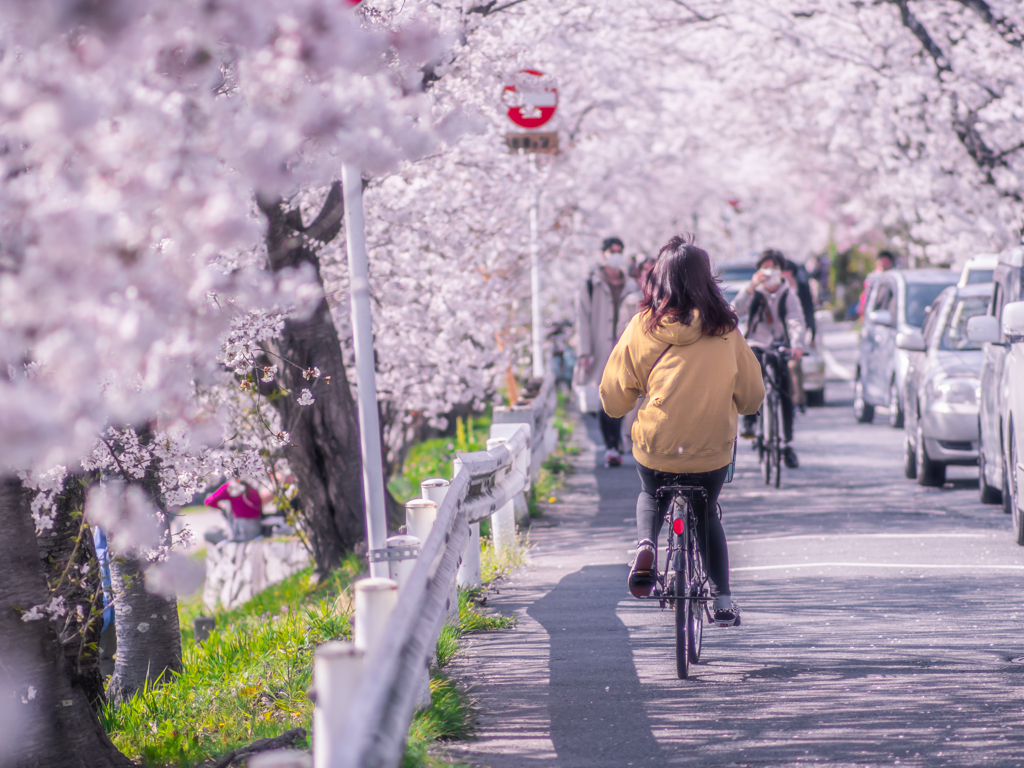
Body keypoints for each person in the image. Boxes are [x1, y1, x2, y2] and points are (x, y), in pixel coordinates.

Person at [600, 234, 764, 625]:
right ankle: (723, 599)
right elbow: (753, 396)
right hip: (711, 448)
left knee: (650, 492)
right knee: (705, 513)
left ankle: (645, 544)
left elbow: (613, 399)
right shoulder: (726, 330)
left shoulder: (642, 326)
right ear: (707, 279)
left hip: (657, 443)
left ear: (659, 279)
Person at [733, 249, 807, 468]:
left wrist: (797, 344)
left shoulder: (788, 293)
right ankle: (748, 421)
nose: (770, 272)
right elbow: (734, 311)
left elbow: (796, 320)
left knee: (785, 389)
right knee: (750, 379)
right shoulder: (753, 291)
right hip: (756, 343)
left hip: (780, 346)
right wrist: (750, 287)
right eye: (766, 267)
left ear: (782, 271)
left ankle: (786, 442)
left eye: (775, 267)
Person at [576, 236, 636, 467]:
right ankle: (611, 445)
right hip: (599, 350)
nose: (616, 255)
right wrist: (584, 353)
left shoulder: (631, 286)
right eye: (612, 251)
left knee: (621, 394)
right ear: (603, 254)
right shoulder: (591, 285)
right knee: (603, 397)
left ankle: (617, 442)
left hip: (624, 349)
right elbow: (582, 320)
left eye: (620, 251)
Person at [857, 249, 896, 319]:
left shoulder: (894, 278)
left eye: (886, 262)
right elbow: (866, 295)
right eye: (882, 262)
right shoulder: (872, 277)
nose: (884, 264)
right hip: (874, 312)